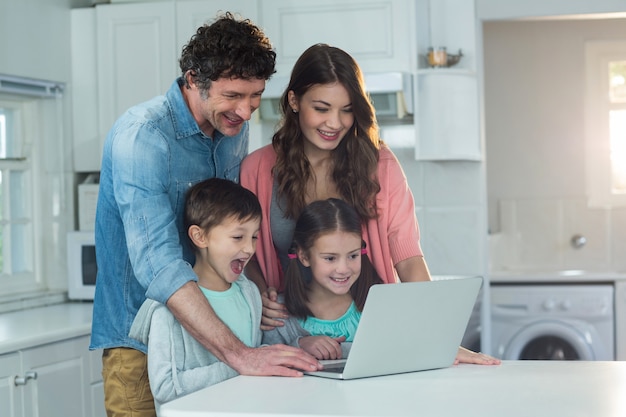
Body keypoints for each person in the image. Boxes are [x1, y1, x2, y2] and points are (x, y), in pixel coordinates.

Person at [90, 13, 319, 417]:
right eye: (234, 95)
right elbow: (158, 263)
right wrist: (241, 355)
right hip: (141, 343)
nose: (246, 111)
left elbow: (229, 226)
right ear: (194, 79)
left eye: (255, 96)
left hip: (213, 332)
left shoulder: (231, 128)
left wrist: (257, 293)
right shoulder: (142, 136)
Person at [241, 43, 499, 365]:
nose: (335, 123)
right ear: (294, 101)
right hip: (292, 337)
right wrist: (260, 294)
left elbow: (407, 256)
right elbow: (245, 252)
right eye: (322, 108)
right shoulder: (257, 170)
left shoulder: (381, 165)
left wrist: (439, 337)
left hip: (370, 332)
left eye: (347, 109)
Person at [130, 178, 266, 412]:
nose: (249, 248)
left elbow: (260, 353)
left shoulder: (249, 292)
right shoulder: (167, 307)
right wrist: (243, 364)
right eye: (238, 237)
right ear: (200, 237)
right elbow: (165, 386)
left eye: (254, 236)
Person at [262, 198, 383, 360]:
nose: (343, 269)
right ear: (304, 256)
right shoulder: (277, 315)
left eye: (353, 256)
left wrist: (341, 350)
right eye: (330, 258)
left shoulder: (377, 306)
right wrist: (300, 345)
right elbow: (263, 364)